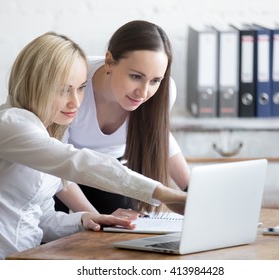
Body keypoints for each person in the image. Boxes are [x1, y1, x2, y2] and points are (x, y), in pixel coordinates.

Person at [0, 32, 186, 260]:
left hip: (24, 259)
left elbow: (40, 217)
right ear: (36, 83)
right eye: (64, 89)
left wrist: (85, 218)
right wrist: (162, 193)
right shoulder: (10, 124)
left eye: (81, 88)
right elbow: (78, 163)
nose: (76, 102)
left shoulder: (45, 132)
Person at [54, 20, 191, 215]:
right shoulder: (75, 85)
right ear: (109, 62)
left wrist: (191, 191)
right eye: (136, 76)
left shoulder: (164, 92)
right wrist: (98, 219)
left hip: (111, 171)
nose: (143, 92)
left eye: (155, 81)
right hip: (62, 171)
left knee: (125, 233)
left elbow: (160, 136)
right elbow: (56, 160)